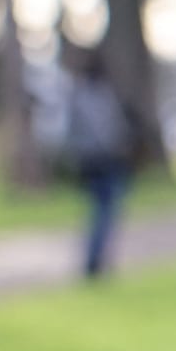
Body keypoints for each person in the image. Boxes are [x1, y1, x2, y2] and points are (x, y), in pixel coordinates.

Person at [64, 62, 134, 280]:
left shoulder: (78, 97)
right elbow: (111, 131)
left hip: (89, 163)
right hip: (105, 162)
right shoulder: (101, 97)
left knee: (99, 212)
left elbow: (71, 134)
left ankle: (95, 259)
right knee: (105, 212)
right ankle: (95, 261)